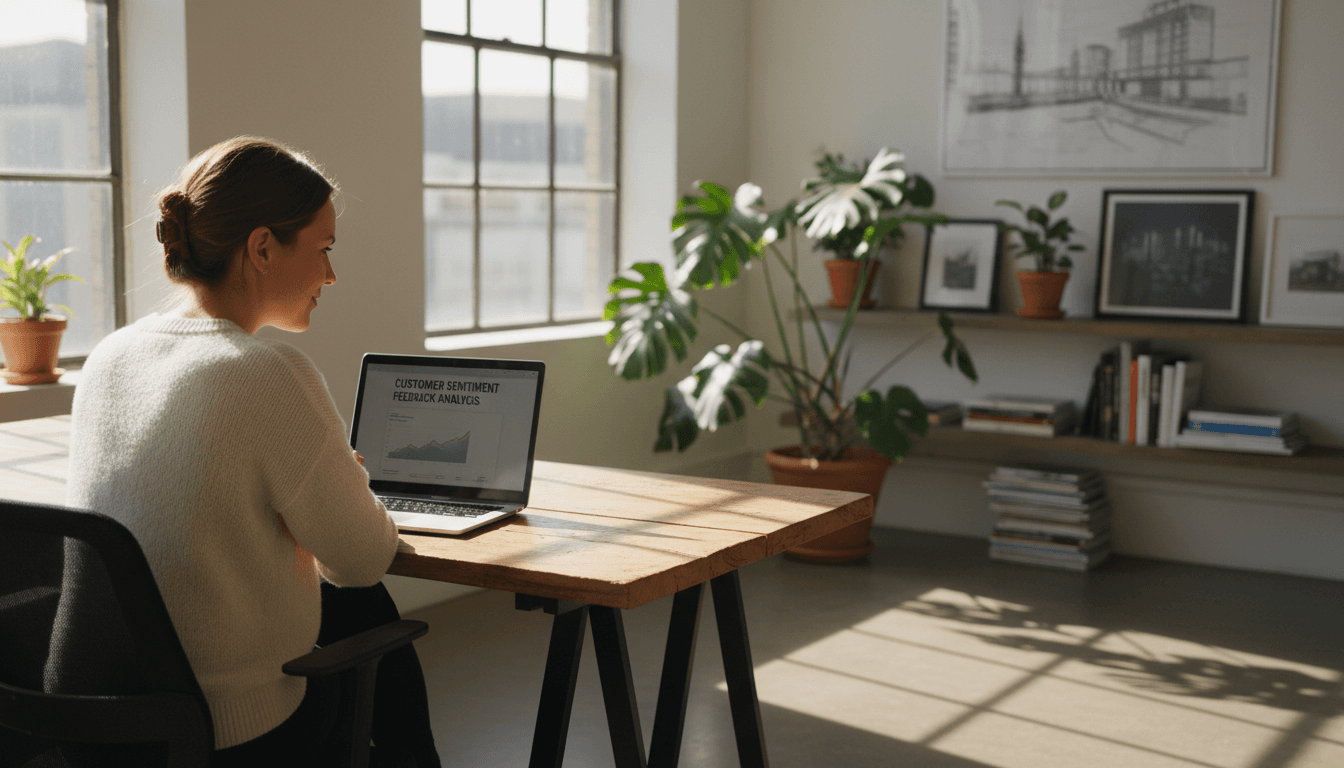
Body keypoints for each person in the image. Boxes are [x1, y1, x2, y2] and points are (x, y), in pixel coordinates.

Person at [66, 136, 441, 767]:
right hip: (227, 736)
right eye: (322, 248)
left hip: (92, 722)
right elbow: (362, 557)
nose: (330, 274)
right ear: (263, 247)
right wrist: (346, 477)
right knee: (366, 603)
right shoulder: (266, 372)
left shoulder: (110, 356)